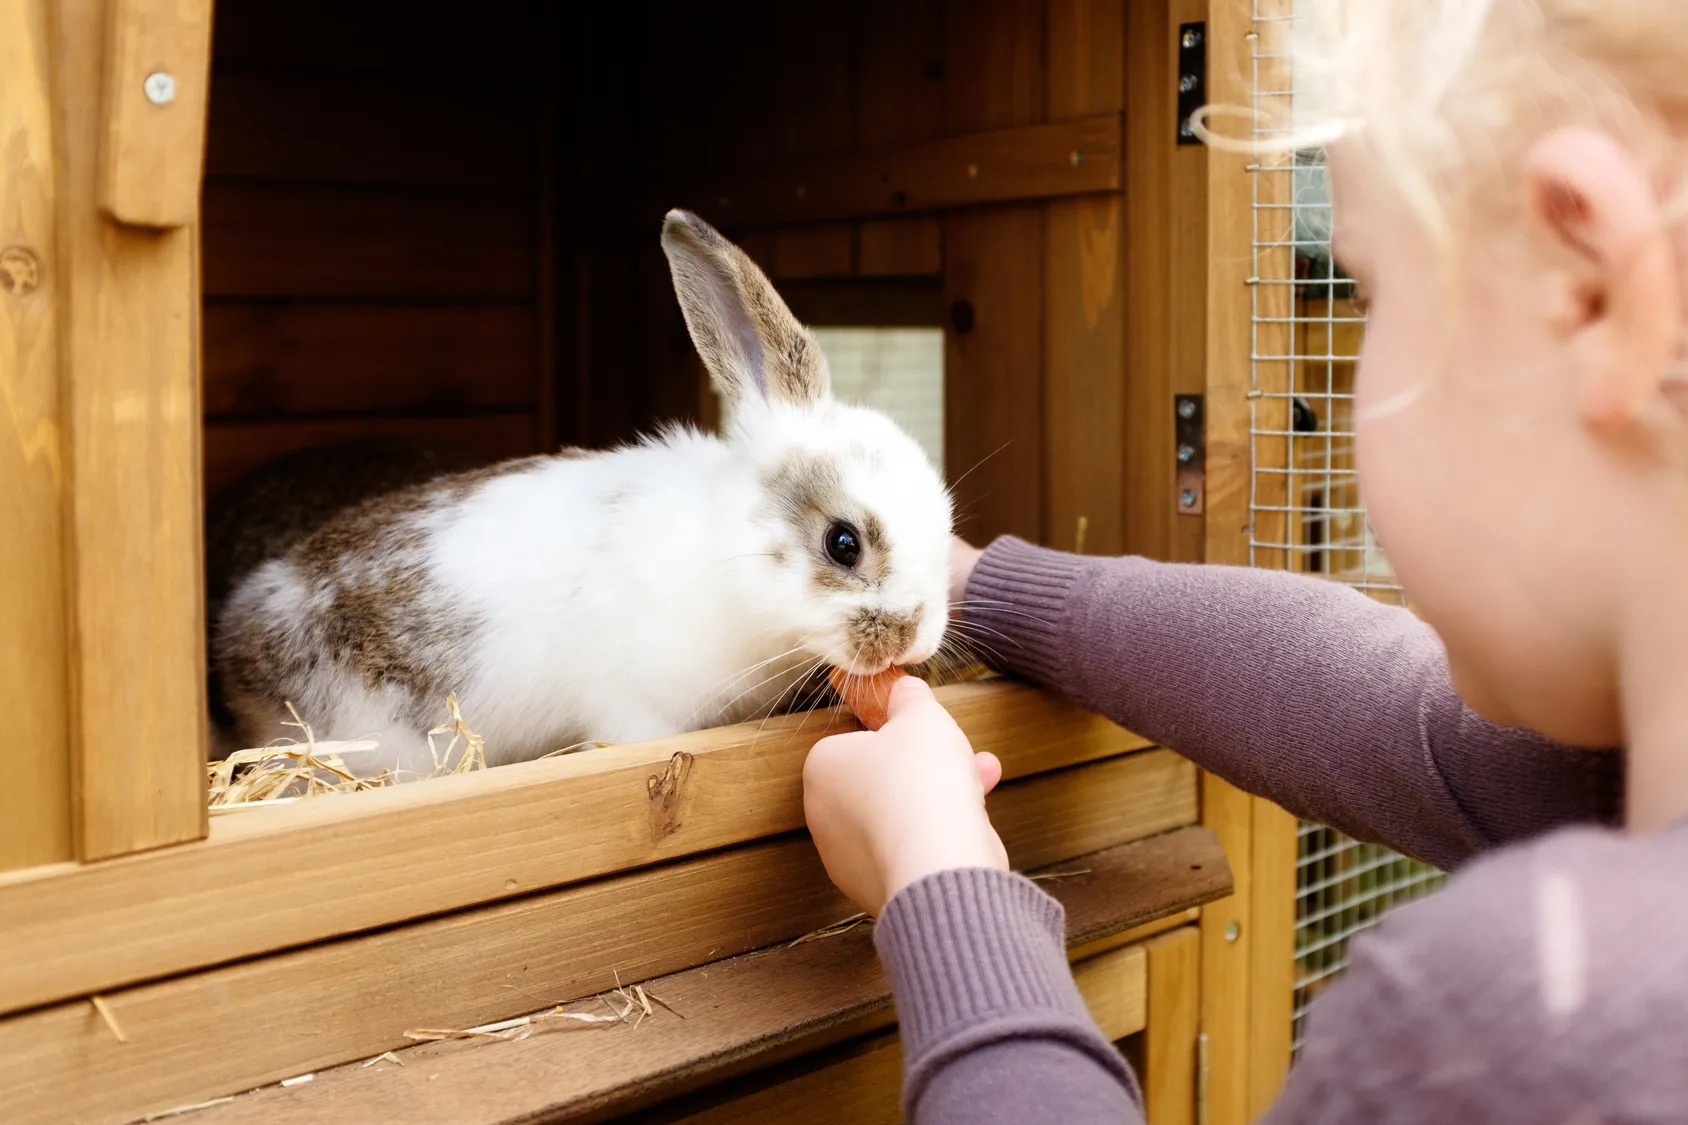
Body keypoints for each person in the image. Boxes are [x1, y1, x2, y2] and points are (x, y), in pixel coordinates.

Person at [801, 3, 1688, 1122]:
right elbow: (1380, 707)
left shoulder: (1538, 1015)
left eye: (1367, 294)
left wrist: (936, 882)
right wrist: (975, 587)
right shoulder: (1613, 785)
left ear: (1593, 292)